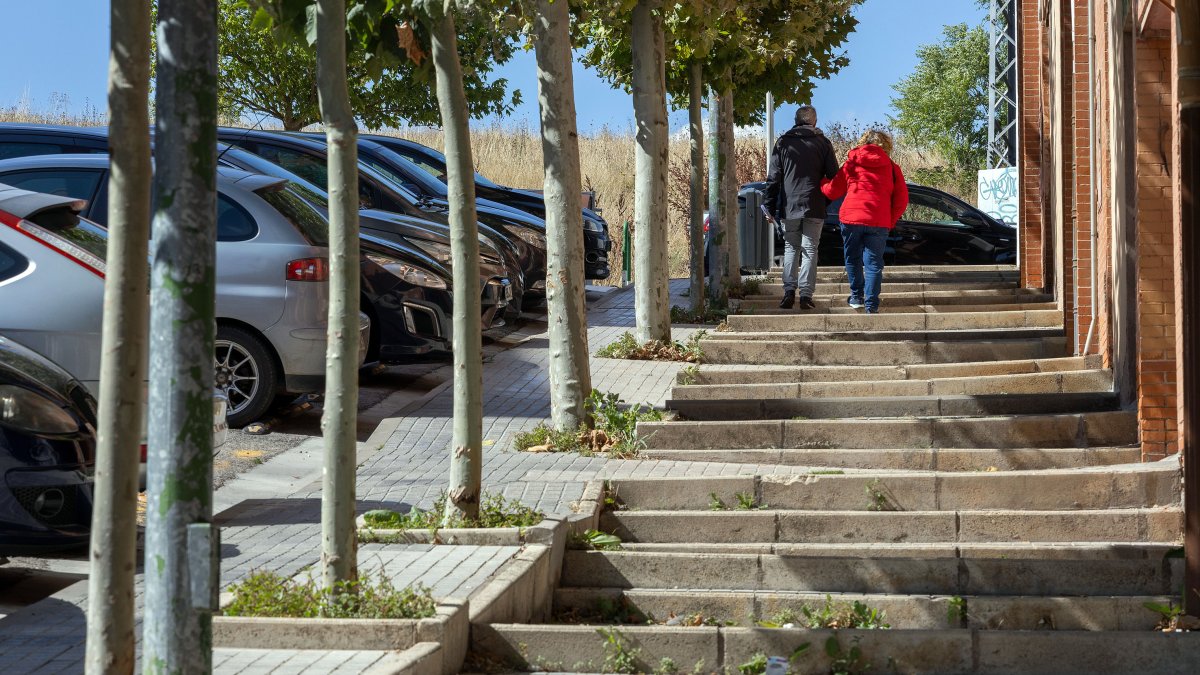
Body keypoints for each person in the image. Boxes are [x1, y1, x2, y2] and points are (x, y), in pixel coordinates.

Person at [821, 129, 909, 314]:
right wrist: (890, 220)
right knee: (874, 263)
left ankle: (856, 297)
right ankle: (871, 305)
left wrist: (821, 183)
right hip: (879, 221)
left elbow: (832, 191)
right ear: (886, 145)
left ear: (862, 143)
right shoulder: (893, 168)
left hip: (851, 219)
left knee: (852, 258)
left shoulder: (851, 164)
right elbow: (902, 200)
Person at [763, 105, 838, 310]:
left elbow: (773, 178)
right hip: (814, 205)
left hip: (790, 207)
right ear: (815, 121)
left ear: (796, 121)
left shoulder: (783, 143)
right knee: (810, 249)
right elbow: (835, 177)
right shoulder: (823, 143)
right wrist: (824, 200)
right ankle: (806, 296)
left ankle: (788, 292)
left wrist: (769, 205)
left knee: (791, 248)